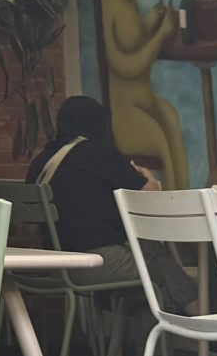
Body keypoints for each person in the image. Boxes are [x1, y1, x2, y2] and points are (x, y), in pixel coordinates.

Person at [28, 95, 196, 315]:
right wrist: (149, 177)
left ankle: (171, 331)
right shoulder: (97, 152)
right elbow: (148, 193)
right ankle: (203, 327)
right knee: (158, 259)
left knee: (151, 255)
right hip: (93, 263)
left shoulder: (41, 160)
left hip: (52, 261)